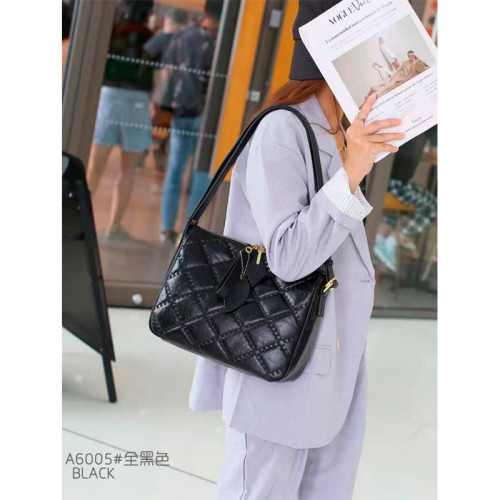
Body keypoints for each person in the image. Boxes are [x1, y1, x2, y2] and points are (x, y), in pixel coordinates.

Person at [188, 1, 405, 498]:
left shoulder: (338, 132)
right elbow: (288, 256)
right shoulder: (282, 130)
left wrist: (356, 160)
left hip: (330, 360)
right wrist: (351, 172)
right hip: (280, 355)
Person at [86, 0, 156, 241]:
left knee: (95, 166)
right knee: (128, 170)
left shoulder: (112, 32)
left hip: (108, 96)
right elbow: (153, 71)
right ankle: (113, 226)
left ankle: (76, 218)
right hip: (137, 100)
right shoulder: (149, 37)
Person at [159, 0, 222, 245]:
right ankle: (189, 232)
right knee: (201, 173)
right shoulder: (224, 42)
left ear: (205, 11)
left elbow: (167, 72)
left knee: (174, 169)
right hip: (208, 116)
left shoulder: (184, 36)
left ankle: (166, 229)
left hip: (182, 111)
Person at [142, 8, 188, 174]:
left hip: (167, 92)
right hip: (170, 92)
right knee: (157, 122)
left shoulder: (169, 38)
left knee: (157, 122)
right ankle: (151, 150)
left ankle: (152, 150)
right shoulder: (173, 39)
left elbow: (146, 55)